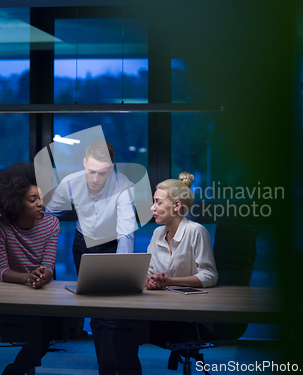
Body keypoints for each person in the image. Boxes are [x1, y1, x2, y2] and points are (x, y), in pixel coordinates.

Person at [45, 140, 137, 375]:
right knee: (95, 310)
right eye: (91, 171)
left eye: (102, 173)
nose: (95, 178)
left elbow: (126, 231)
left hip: (111, 245)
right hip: (83, 245)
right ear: (84, 163)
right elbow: (47, 211)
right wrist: (10, 211)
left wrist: (122, 272)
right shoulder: (71, 182)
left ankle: (112, 367)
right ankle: (105, 365)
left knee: (111, 312)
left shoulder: (123, 186)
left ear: (112, 167)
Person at [114, 172, 218, 375]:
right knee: (121, 327)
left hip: (188, 318)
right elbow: (150, 270)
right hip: (160, 310)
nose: (152, 207)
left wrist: (170, 281)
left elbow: (209, 275)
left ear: (176, 206)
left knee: (124, 329)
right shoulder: (157, 234)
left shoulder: (196, 232)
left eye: (158, 202)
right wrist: (149, 280)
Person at [0, 162, 60, 375]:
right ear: (15, 203)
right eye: (32, 199)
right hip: (10, 295)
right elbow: (1, 271)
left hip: (41, 293)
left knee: (46, 332)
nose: (40, 204)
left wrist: (42, 277)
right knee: (40, 333)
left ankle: (14, 371)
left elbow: (48, 265)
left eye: (40, 197)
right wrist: (28, 277)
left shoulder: (51, 223)